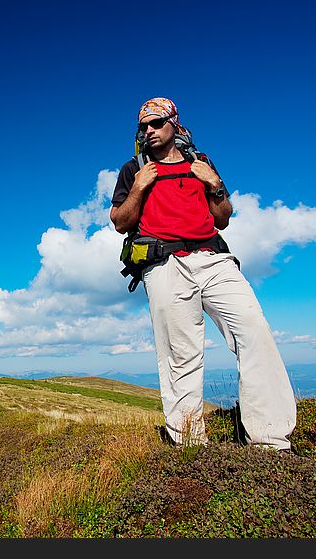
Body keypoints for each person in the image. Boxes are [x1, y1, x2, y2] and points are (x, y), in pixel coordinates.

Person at [109, 97, 296, 451]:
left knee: (254, 330)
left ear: (175, 124)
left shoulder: (201, 162)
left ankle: (271, 438)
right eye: (143, 126)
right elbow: (120, 222)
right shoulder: (133, 169)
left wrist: (214, 183)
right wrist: (138, 188)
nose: (149, 130)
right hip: (164, 264)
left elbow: (223, 216)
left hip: (214, 258)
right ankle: (189, 444)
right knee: (180, 354)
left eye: (156, 123)